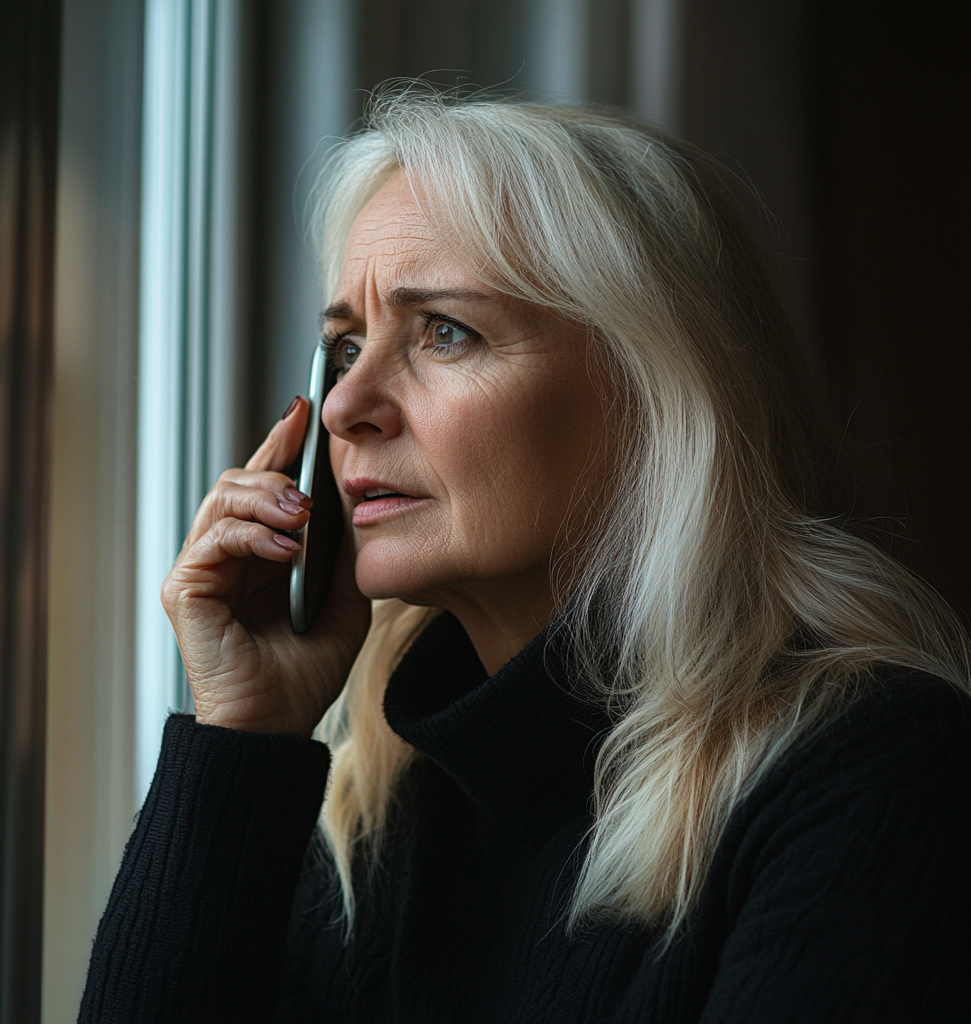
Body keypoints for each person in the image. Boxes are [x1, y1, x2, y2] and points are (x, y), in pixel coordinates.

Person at [79, 91, 970, 1023]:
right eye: (344, 347)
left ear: (651, 393)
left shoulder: (875, 776)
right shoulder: (369, 819)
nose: (345, 408)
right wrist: (239, 743)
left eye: (444, 331)